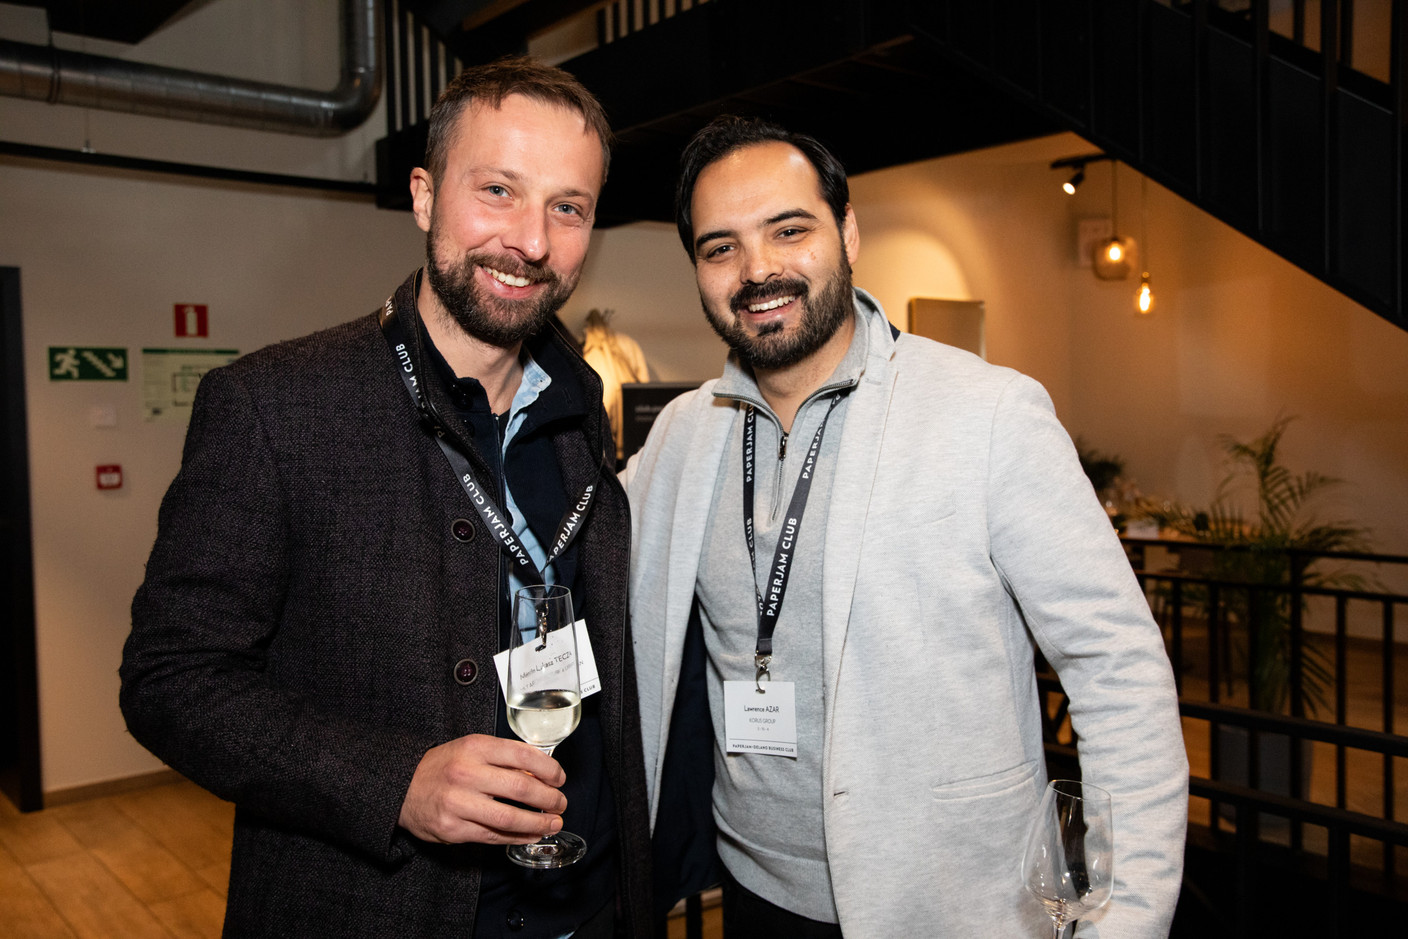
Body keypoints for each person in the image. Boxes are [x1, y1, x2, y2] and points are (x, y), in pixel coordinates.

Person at [120, 57, 650, 938]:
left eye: (568, 207)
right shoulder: (275, 404)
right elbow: (171, 681)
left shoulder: (582, 409)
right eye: (497, 190)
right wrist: (392, 780)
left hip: (582, 904)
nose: (530, 239)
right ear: (423, 195)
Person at [623, 115, 1188, 937]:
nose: (758, 269)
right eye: (721, 247)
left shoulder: (988, 413)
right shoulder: (680, 437)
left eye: (789, 229)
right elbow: (561, 554)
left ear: (848, 232)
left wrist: (1125, 917)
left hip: (948, 904)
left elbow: (1118, 671)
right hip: (751, 895)